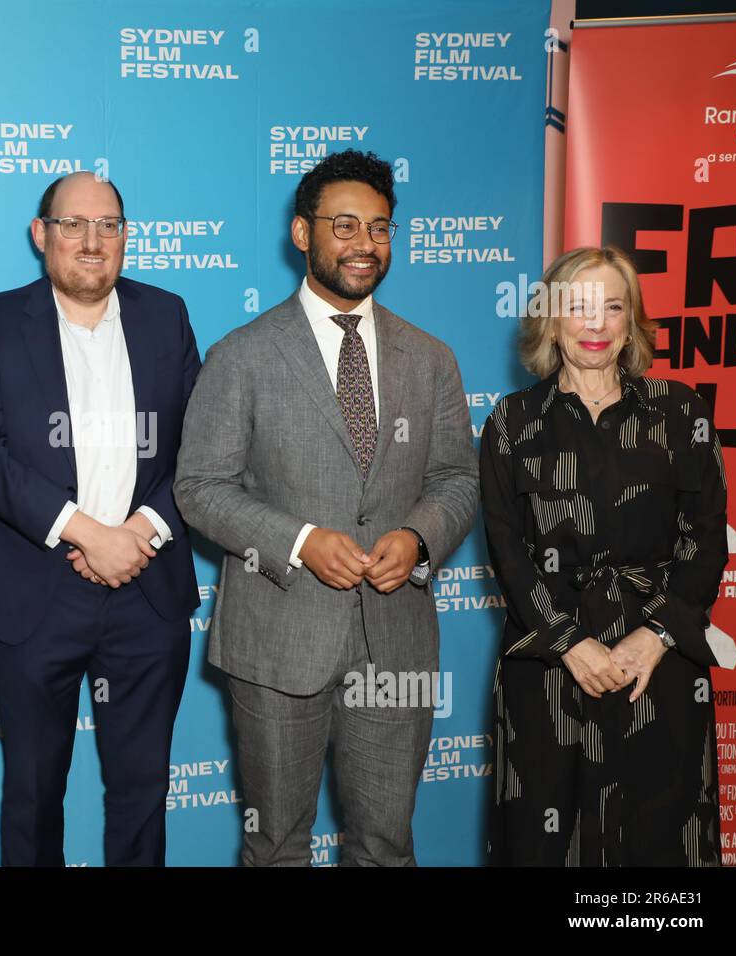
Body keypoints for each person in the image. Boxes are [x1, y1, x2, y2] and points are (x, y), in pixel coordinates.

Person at [174, 150, 477, 866]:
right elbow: (200, 488)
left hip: (395, 638)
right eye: (344, 226)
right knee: (276, 844)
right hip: (278, 643)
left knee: (385, 845)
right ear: (303, 234)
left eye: (379, 227)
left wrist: (419, 536)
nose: (365, 244)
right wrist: (301, 539)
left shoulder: (430, 358)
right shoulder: (241, 356)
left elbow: (458, 478)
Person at [0, 171, 201, 866]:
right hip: (38, 595)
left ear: (126, 237)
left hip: (148, 593)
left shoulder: (167, 315)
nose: (92, 242)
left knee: (142, 795)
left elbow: (205, 448)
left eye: (109, 225)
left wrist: (144, 530)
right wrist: (89, 533)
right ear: (42, 235)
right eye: (73, 224)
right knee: (33, 797)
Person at [481, 246, 730, 866]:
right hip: (548, 668)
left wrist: (655, 636)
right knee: (548, 841)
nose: (595, 324)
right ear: (551, 320)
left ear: (631, 322)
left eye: (612, 307)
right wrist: (569, 644)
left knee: (660, 844)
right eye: (579, 308)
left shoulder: (682, 414)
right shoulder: (511, 423)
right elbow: (508, 553)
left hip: (661, 663)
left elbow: (705, 542)